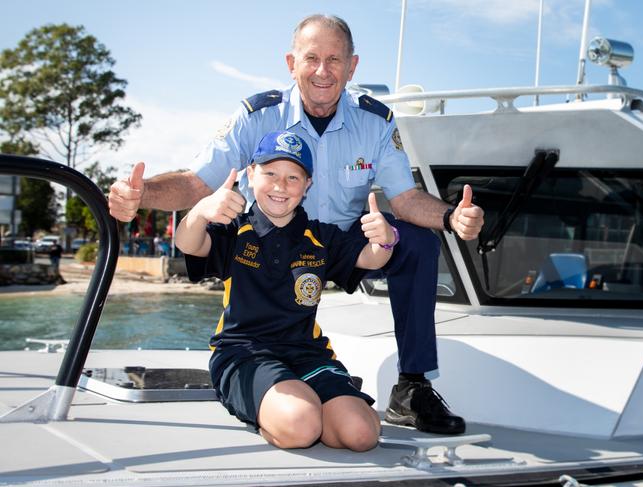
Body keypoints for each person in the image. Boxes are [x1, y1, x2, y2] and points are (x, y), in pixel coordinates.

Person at [109, 14, 485, 435]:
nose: (323, 71)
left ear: (352, 66)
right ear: (292, 63)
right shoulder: (256, 116)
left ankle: (412, 388)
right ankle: (258, 381)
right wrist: (142, 196)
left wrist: (452, 217)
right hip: (270, 243)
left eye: (334, 59)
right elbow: (197, 182)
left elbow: (406, 199)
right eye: (311, 58)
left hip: (339, 245)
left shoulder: (376, 120)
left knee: (417, 242)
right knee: (297, 404)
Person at [176, 131, 396, 450]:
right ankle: (281, 414)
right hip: (243, 353)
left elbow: (371, 256)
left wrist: (386, 238)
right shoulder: (235, 231)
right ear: (251, 175)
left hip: (307, 353)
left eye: (293, 177)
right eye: (270, 174)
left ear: (307, 185)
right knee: (302, 424)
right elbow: (189, 243)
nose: (281, 186)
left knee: (361, 434)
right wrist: (199, 212)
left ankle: (320, 405)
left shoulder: (321, 236)